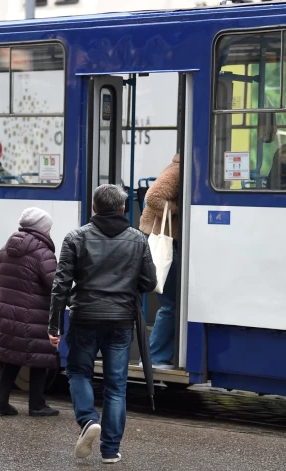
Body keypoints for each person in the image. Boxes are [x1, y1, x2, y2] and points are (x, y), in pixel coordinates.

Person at [48, 184, 157, 464]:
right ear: (123, 208)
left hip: (84, 317)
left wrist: (54, 326)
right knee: (116, 385)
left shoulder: (75, 237)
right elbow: (150, 282)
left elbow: (60, 285)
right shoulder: (138, 239)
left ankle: (87, 419)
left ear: (94, 207)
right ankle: (110, 450)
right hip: (121, 320)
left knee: (78, 372)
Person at [0, 207, 59, 417]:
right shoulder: (43, 253)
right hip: (34, 315)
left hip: (7, 314)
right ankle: (37, 405)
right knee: (40, 358)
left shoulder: (6, 248)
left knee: (11, 358)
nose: (49, 233)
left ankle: (0, 403)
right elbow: (54, 284)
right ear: (42, 230)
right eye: (48, 229)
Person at [139, 153, 180, 369]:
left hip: (168, 239)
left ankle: (157, 356)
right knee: (171, 303)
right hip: (166, 240)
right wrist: (179, 212)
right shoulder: (177, 170)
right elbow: (153, 196)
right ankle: (155, 357)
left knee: (171, 302)